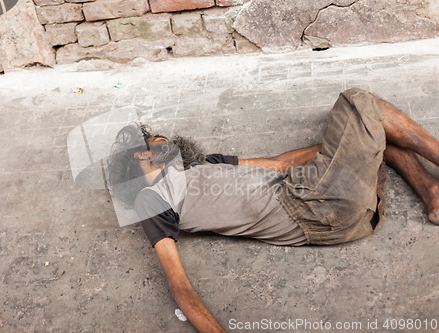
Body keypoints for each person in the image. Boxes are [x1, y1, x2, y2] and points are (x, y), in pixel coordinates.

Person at [107, 88, 439, 332]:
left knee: (377, 132)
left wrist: (344, 148)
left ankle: (431, 191)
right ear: (141, 155)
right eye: (161, 140)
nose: (170, 143)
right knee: (361, 101)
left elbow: (280, 163)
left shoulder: (208, 164)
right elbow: (179, 284)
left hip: (337, 203)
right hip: (311, 207)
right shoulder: (151, 199)